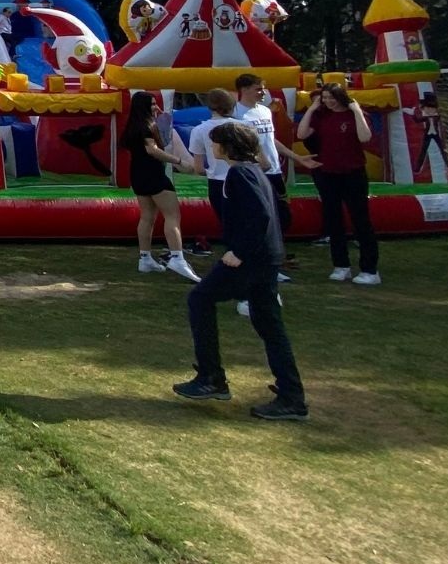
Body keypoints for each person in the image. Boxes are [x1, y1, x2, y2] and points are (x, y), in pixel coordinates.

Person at [172, 121, 308, 420]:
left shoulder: (239, 174)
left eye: (215, 143)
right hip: (266, 257)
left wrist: (239, 252)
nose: (212, 148)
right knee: (270, 325)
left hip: (251, 259)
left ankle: (211, 377)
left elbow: (260, 214)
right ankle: (292, 396)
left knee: (200, 299)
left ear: (226, 147)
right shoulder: (254, 171)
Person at [297, 83, 378, 284]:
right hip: (328, 173)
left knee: (361, 220)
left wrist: (356, 111)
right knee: (333, 220)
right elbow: (301, 134)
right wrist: (312, 109)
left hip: (353, 173)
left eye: (331, 97)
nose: (328, 102)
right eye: (324, 98)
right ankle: (341, 265)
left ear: (341, 97)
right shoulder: (321, 115)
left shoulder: (354, 114)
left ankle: (370, 269)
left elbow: (365, 137)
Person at [121, 92, 200, 280]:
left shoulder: (132, 126)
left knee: (147, 216)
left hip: (138, 175)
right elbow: (152, 150)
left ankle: (145, 258)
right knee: (172, 216)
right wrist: (179, 161)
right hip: (153, 175)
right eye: (152, 104)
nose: (156, 107)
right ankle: (177, 258)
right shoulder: (146, 127)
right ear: (143, 107)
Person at [233, 72, 301, 237]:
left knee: (282, 213)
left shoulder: (264, 111)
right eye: (258, 89)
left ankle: (277, 245)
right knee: (259, 212)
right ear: (244, 90)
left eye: (263, 88)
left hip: (274, 170)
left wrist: (296, 157)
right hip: (254, 171)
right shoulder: (236, 113)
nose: (263, 92)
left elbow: (270, 140)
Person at [186, 88, 238, 222]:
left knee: (226, 222)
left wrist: (209, 172)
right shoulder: (245, 126)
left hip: (217, 181)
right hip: (243, 178)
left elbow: (198, 168)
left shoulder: (199, 130)